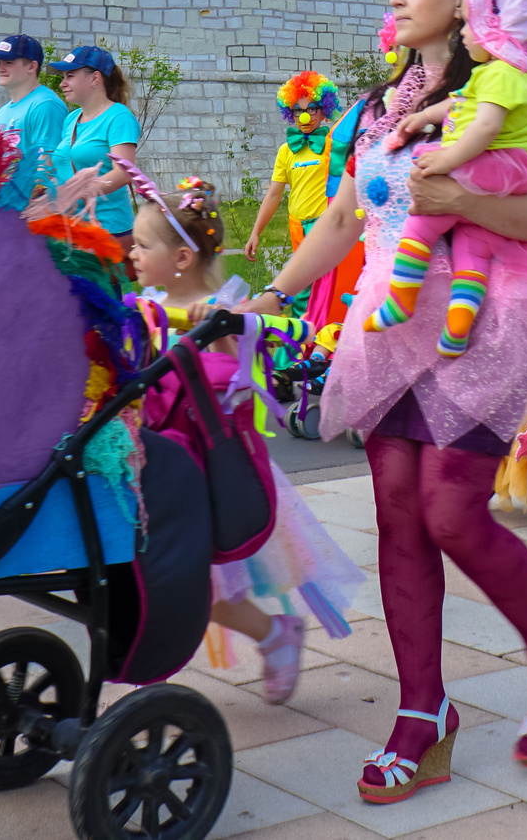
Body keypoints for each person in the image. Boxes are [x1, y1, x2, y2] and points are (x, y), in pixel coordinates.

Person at [243, 0, 527, 802]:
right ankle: (421, 714)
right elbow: (344, 219)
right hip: (391, 323)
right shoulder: (376, 108)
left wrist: (459, 195)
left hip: (484, 320)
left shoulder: (511, 90)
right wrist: (271, 294)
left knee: (450, 512)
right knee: (398, 516)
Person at [132, 177, 362, 705]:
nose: (132, 253)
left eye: (143, 245)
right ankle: (153, 669)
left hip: (211, 468)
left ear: (182, 258)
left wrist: (222, 329)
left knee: (202, 581)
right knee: (163, 571)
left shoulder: (225, 310)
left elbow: (240, 370)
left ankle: (274, 633)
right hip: (158, 462)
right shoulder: (145, 306)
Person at [370, 0, 527, 355]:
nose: (464, 33)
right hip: (507, 170)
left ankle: (401, 298)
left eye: (471, 24)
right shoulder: (510, 73)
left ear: (495, 30)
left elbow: (485, 126)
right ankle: (457, 328)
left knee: (422, 218)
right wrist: (424, 115)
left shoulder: (500, 74)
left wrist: (447, 159)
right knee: (473, 246)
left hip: (496, 163)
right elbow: (461, 104)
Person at [23, 46, 143, 245]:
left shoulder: (119, 117)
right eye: (63, 77)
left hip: (107, 230)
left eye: (70, 76)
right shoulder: (71, 119)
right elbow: (61, 171)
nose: (62, 83)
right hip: (70, 228)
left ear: (95, 78)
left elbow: (123, 172)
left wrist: (75, 192)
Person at [247, 72, 340, 260]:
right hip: (297, 226)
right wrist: (255, 232)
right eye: (298, 110)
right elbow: (274, 195)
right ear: (291, 113)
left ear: (324, 111)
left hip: (326, 225)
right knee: (304, 276)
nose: (304, 117)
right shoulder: (285, 151)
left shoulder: (334, 146)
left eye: (311, 109)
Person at [0, 34, 68, 214]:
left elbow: (48, 165)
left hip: (33, 212)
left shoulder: (46, 105)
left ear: (32, 66)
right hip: (3, 208)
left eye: (9, 62)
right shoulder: (2, 113)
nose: (1, 68)